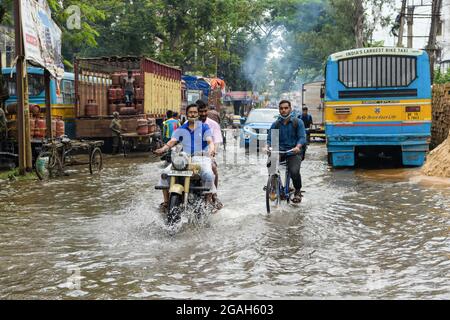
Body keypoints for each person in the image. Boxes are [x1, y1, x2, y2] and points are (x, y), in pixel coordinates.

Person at [155, 104, 217, 210]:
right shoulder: (182, 128)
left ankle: (208, 202)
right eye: (190, 112)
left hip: (201, 157)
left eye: (195, 112)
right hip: (185, 158)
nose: (192, 114)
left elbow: (210, 141)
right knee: (164, 173)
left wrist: (212, 149)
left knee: (209, 174)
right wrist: (162, 149)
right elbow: (172, 141)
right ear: (186, 114)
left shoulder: (204, 127)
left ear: (198, 114)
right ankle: (166, 202)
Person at [267, 100, 306, 204]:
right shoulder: (276, 124)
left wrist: (298, 146)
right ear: (279, 110)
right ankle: (273, 186)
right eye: (281, 108)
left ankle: (297, 191)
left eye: (286, 108)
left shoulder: (298, 122)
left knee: (294, 172)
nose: (283, 110)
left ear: (290, 109)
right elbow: (271, 139)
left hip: (293, 151)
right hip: (280, 151)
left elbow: (302, 138)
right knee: (271, 164)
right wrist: (267, 146)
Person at [197, 100, 223, 209]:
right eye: (200, 111)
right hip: (191, 156)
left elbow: (216, 142)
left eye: (204, 111)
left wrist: (212, 152)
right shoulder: (188, 124)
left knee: (214, 169)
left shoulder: (213, 124)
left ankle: (214, 195)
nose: (203, 114)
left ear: (207, 110)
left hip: (207, 155)